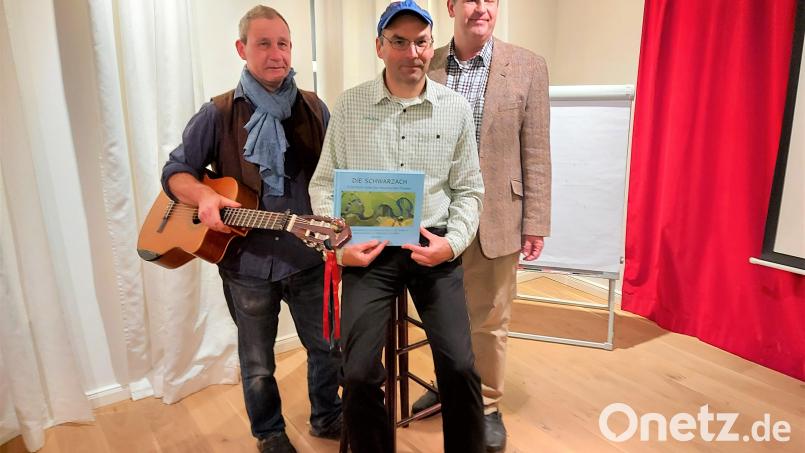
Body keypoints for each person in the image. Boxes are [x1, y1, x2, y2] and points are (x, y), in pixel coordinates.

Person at [160, 6, 341, 453]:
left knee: (328, 349)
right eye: (264, 43)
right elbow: (176, 171)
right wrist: (203, 196)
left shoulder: (315, 107)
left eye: (283, 43)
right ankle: (270, 434)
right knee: (258, 363)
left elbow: (339, 172)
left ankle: (327, 416)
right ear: (242, 49)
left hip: (308, 257)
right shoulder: (218, 112)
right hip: (246, 263)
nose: (275, 53)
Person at [308, 1, 485, 452]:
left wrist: (453, 245)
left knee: (461, 367)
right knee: (359, 372)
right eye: (399, 42)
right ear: (380, 48)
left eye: (421, 42)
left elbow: (470, 190)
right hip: (367, 251)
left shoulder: (456, 109)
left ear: (432, 46)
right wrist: (338, 248)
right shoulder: (349, 107)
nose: (412, 52)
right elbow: (324, 186)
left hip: (434, 246)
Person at [412, 0, 552, 451]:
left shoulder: (528, 66)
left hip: (498, 215)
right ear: (451, 6)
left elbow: (537, 151)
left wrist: (536, 220)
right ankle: (449, 385)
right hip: (436, 215)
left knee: (490, 318)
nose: (481, 7)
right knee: (439, 313)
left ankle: (487, 405)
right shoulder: (424, 61)